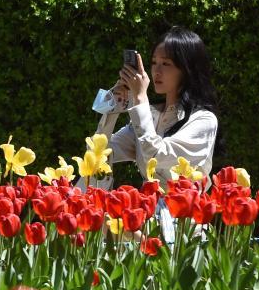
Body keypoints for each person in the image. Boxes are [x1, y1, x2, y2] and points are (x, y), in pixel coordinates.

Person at [94, 27, 221, 242]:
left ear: (187, 69)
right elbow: (100, 156)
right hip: (146, 220)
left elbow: (157, 154)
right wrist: (115, 107)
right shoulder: (150, 115)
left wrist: (140, 98)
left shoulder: (204, 120)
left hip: (183, 229)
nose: (156, 71)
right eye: (153, 63)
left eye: (166, 64)